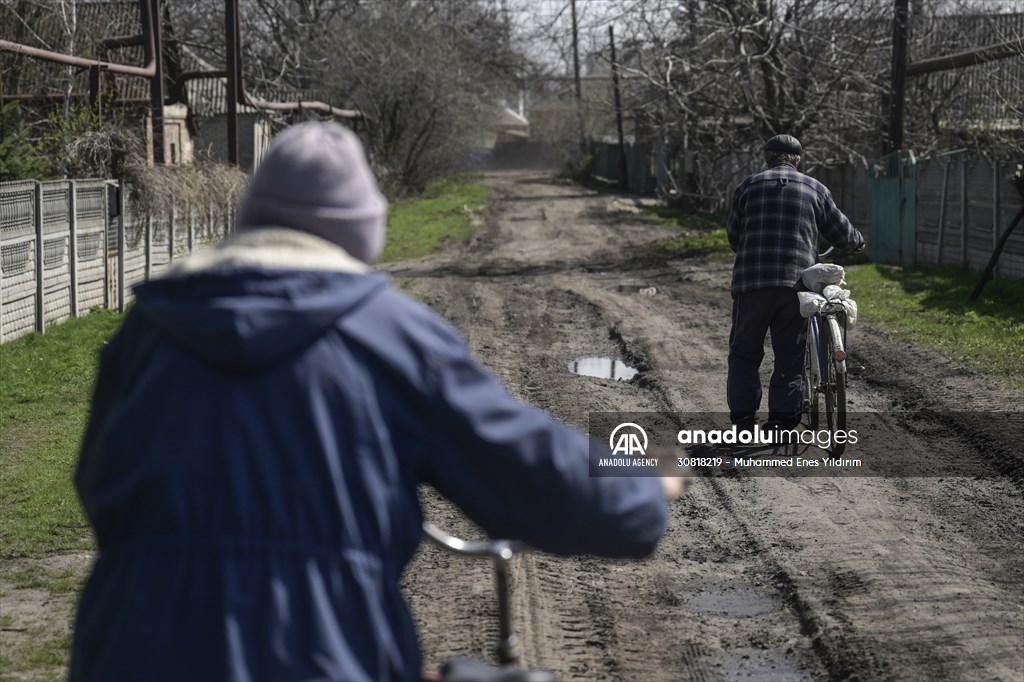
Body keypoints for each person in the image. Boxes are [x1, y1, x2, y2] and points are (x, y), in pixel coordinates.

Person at [69, 121, 681, 682]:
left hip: (126, 648)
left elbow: (99, 484)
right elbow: (527, 467)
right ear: (360, 234)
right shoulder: (388, 334)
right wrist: (641, 485)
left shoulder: (146, 331)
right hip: (319, 651)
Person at [725, 134, 865, 431]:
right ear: (798, 159)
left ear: (767, 157)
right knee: (790, 355)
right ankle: (782, 423)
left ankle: (744, 421)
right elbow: (842, 232)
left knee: (744, 354)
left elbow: (734, 238)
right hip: (796, 289)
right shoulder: (815, 188)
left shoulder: (747, 187)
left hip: (752, 286)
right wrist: (856, 243)